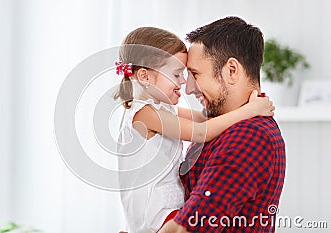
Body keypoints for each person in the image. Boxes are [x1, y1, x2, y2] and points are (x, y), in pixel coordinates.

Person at [115, 26, 274, 233]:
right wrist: (249, 110)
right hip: (156, 211)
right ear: (144, 77)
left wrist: (247, 107)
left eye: (191, 74)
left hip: (167, 208)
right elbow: (201, 131)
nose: (184, 83)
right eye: (177, 74)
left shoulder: (161, 109)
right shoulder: (145, 114)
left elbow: (203, 119)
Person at [158, 16, 286, 233]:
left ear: (232, 70)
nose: (188, 89)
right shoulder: (223, 125)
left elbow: (188, 229)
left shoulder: (249, 137)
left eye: (195, 74)